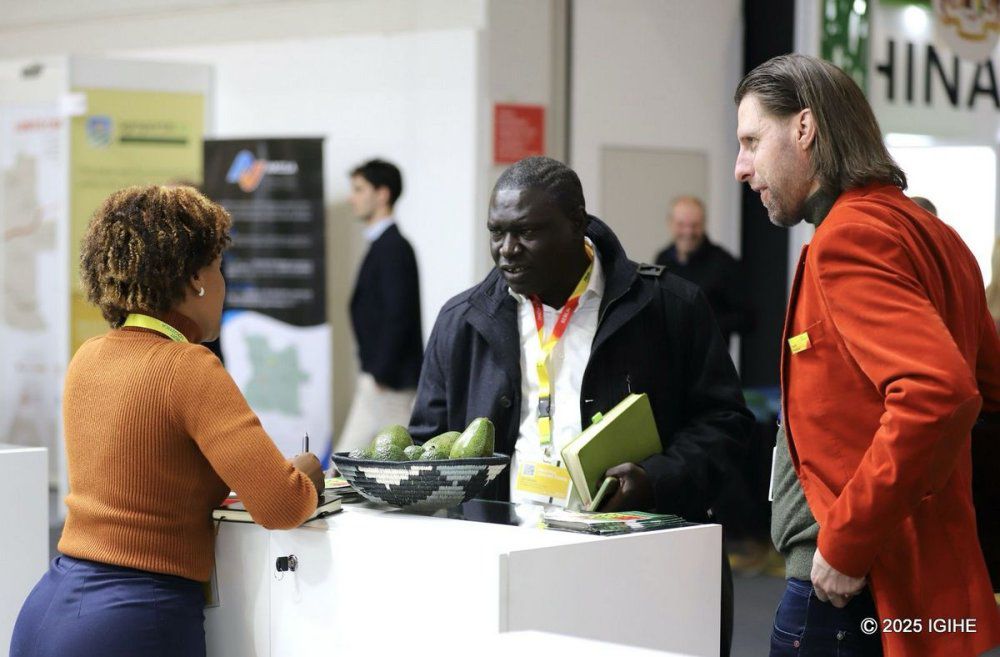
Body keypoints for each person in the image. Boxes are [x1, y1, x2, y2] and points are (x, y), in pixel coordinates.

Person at [409, 156, 754, 656]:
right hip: (504, 564)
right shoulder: (462, 321)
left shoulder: (669, 308)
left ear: (576, 224)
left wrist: (656, 479)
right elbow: (428, 443)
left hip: (633, 569)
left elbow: (725, 424)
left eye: (527, 232)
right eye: (497, 233)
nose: (507, 250)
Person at [734, 54, 1000, 657]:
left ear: (805, 128)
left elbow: (939, 393)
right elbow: (989, 391)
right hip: (915, 580)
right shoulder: (937, 236)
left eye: (752, 141)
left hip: (848, 587)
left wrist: (846, 543)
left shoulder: (849, 237)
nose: (742, 167)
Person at [10, 185, 325, 657]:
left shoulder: (88, 357)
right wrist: (307, 473)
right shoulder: (189, 367)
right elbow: (281, 504)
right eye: (218, 267)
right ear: (197, 278)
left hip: (48, 609)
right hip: (133, 620)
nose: (223, 284)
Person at [336, 159, 423, 452]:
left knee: (352, 461)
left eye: (359, 189)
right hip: (381, 380)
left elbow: (399, 315)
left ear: (382, 194)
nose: (352, 198)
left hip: (389, 384)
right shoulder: (384, 245)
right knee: (354, 460)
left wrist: (380, 374)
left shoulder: (394, 247)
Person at [654, 195, 753, 344]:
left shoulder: (724, 263)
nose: (688, 232)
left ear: (704, 224)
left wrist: (706, 323)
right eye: (681, 225)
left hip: (709, 355)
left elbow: (748, 318)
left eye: (694, 225)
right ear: (670, 224)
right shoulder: (662, 260)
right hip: (669, 354)